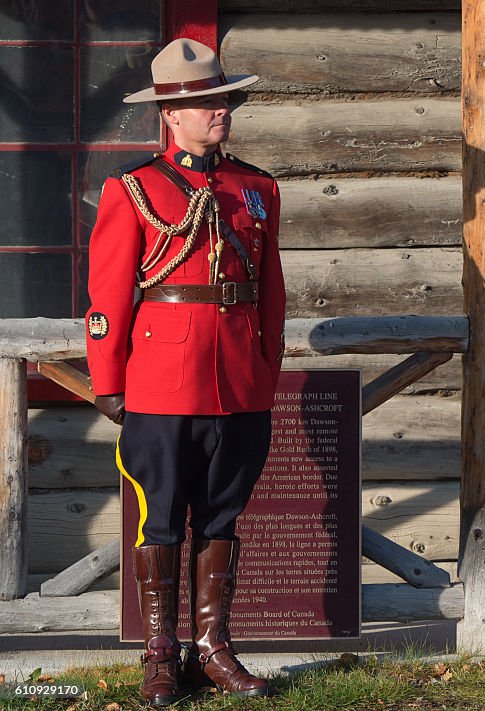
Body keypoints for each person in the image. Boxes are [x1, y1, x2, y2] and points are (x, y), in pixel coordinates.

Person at [86, 38, 285, 704]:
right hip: (160, 384)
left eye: (221, 98)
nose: (217, 111)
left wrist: (264, 369)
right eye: (202, 104)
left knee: (222, 517)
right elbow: (110, 294)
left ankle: (214, 647)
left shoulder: (256, 188)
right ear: (170, 115)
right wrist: (110, 382)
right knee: (162, 521)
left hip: (239, 384)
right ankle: (160, 652)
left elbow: (271, 293)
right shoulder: (134, 188)